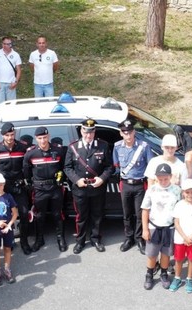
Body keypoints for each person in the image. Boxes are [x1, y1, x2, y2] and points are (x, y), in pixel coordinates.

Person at [63, 119, 114, 254]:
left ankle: (96, 239)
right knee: (81, 216)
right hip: (80, 189)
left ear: (94, 132)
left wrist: (102, 179)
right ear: (81, 131)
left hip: (97, 188)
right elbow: (67, 168)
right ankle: (80, 241)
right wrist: (76, 180)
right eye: (86, 132)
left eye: (91, 132)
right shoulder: (73, 147)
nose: (88, 135)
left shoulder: (103, 145)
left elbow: (109, 167)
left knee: (97, 215)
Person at [0, 122, 33, 254]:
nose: (10, 137)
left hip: (19, 186)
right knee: (4, 215)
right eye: (7, 135)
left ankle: (24, 242)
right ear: (2, 136)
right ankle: (10, 241)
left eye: (12, 134)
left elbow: (30, 163)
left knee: (24, 214)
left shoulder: (22, 147)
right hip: (4, 188)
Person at [23, 126, 68, 252]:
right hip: (39, 189)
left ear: (49, 137)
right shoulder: (31, 153)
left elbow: (64, 167)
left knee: (58, 214)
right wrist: (31, 186)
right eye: (40, 138)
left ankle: (60, 238)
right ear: (36, 139)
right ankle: (39, 239)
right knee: (39, 215)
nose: (43, 141)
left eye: (45, 137)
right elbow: (26, 172)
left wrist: (62, 179)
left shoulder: (58, 150)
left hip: (55, 188)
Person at [113, 119, 154, 254]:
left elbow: (151, 166)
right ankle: (129, 238)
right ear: (121, 134)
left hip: (139, 185)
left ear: (134, 132)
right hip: (125, 184)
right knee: (127, 214)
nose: (128, 136)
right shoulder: (117, 146)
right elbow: (116, 166)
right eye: (125, 133)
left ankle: (139, 238)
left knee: (139, 214)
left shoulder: (144, 146)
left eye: (130, 132)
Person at [141, 164, 182, 290]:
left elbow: (180, 209)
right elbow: (145, 210)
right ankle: (149, 275)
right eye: (160, 179)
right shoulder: (152, 190)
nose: (163, 181)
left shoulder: (177, 190)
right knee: (152, 254)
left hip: (169, 227)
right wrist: (145, 229)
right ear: (156, 178)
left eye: (166, 178)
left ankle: (164, 273)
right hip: (154, 226)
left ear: (170, 176)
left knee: (166, 254)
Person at [169, 179, 192, 293]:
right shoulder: (179, 205)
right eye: (187, 192)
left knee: (191, 259)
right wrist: (185, 237)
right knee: (179, 259)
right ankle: (177, 278)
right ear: (183, 193)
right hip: (180, 238)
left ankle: (189, 279)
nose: (190, 194)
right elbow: (176, 223)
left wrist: (191, 237)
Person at [0, 36, 21, 104]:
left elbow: (18, 70)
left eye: (8, 44)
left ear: (11, 44)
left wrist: (15, 82)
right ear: (2, 44)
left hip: (11, 83)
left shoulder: (16, 55)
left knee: (11, 105)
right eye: (4, 44)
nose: (6, 45)